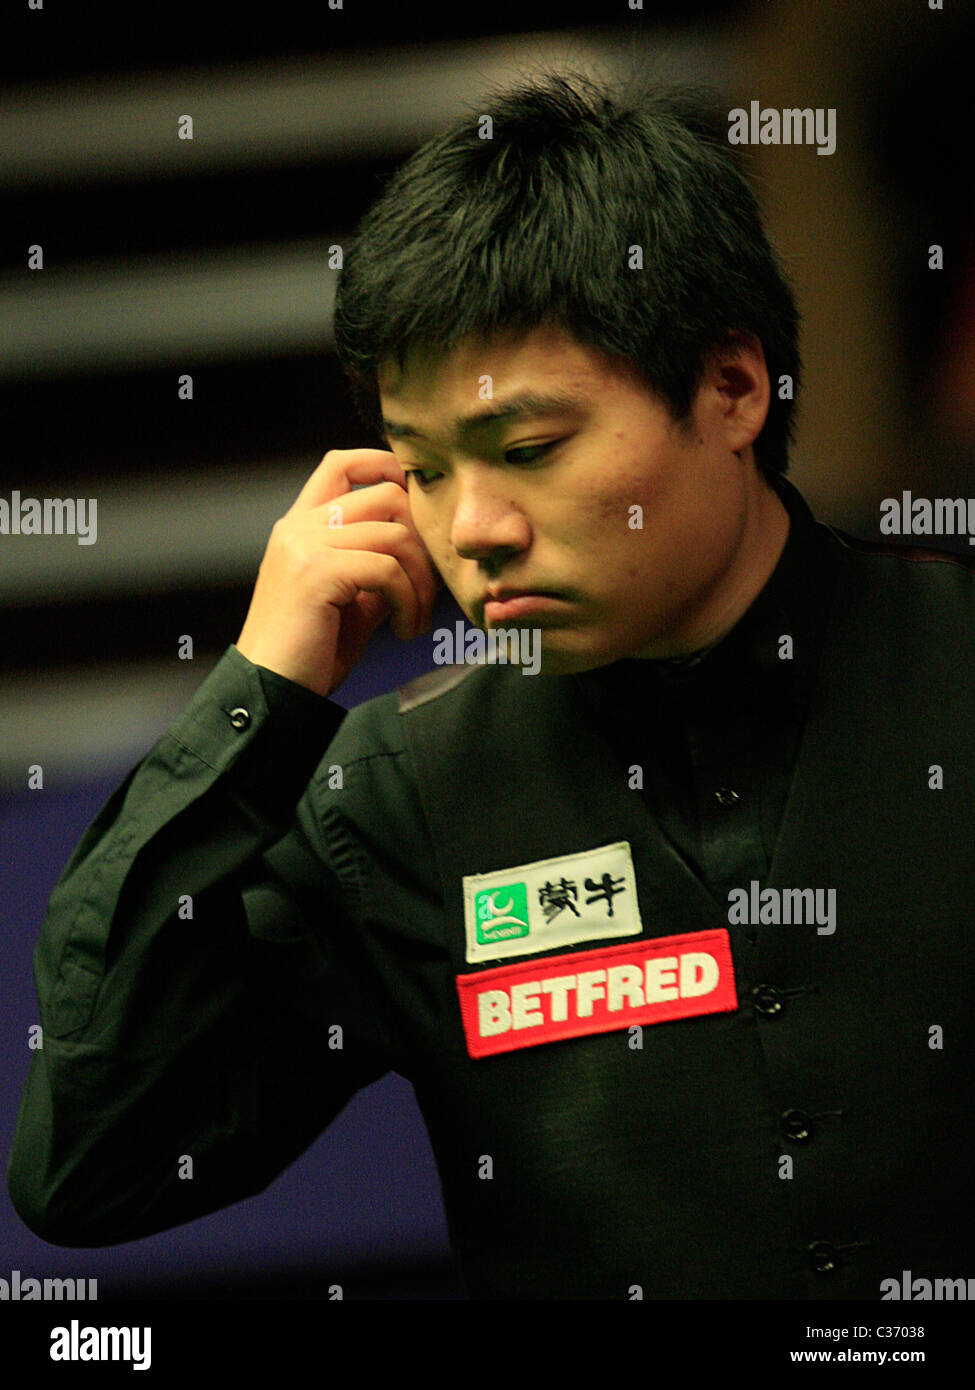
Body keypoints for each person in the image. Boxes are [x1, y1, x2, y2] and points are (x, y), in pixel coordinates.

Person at [7, 72, 974, 1301]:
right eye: (419, 468)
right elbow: (90, 1170)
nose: (475, 528)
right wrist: (251, 696)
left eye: (527, 450)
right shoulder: (395, 798)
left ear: (734, 389)